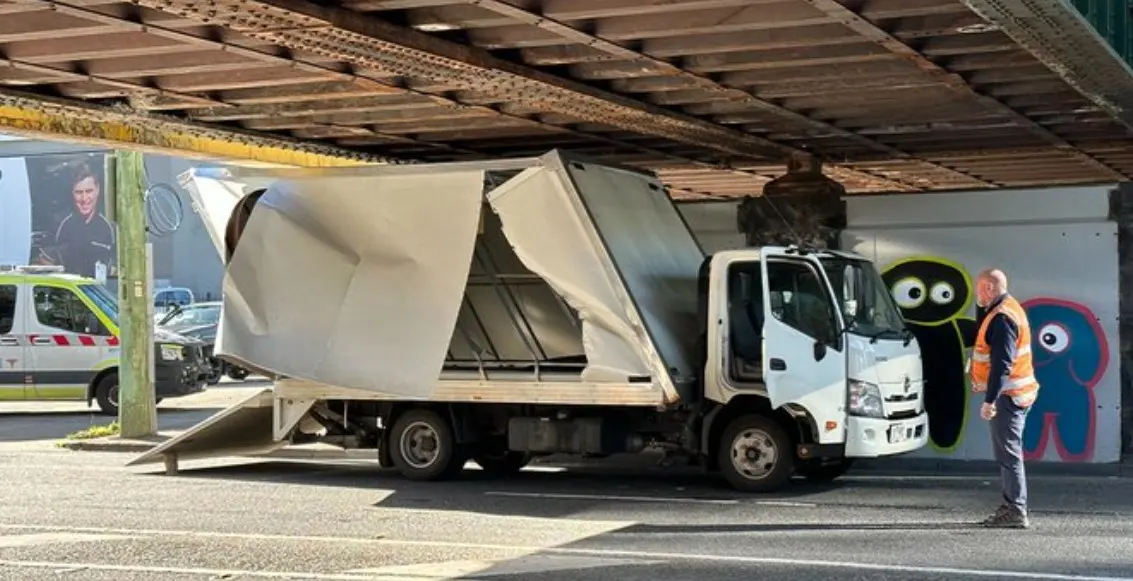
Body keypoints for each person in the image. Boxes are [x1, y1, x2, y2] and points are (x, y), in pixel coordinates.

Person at [969, 268, 1039, 529]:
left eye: (979, 289)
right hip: (1018, 392)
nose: (977, 294)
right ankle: (1012, 505)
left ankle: (1016, 509)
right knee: (1009, 451)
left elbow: (1002, 364)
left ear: (989, 287)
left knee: (1009, 454)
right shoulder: (1008, 308)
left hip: (1009, 396)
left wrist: (990, 401)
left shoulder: (1001, 318)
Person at [54, 163, 115, 277]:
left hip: (99, 290)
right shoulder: (63, 226)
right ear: (72, 193)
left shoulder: (108, 227)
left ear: (98, 190)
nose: (84, 198)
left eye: (89, 191)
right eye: (79, 192)